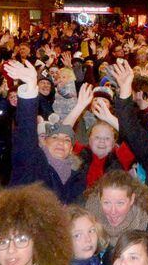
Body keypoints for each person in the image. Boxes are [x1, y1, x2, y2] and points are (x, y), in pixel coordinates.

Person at [6, 59, 88, 203]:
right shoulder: (32, 162)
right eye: (55, 137)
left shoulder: (76, 176)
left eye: (67, 140)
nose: (61, 142)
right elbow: (26, 132)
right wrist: (31, 88)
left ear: (71, 150)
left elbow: (65, 129)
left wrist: (79, 107)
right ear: (43, 141)